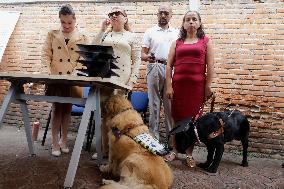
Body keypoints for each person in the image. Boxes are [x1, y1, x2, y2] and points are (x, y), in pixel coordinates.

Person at [165, 11, 214, 167]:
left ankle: (189, 154)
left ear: (199, 23)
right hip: (178, 86)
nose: (191, 22)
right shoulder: (177, 42)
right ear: (183, 24)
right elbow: (168, 65)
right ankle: (174, 150)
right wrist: (168, 85)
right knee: (176, 119)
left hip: (196, 88)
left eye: (194, 19)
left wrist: (208, 87)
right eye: (187, 19)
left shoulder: (206, 41)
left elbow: (210, 66)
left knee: (193, 121)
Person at [92, 7, 141, 158]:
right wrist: (101, 29)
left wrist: (132, 81)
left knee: (117, 117)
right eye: (111, 13)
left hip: (122, 81)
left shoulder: (132, 36)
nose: (113, 15)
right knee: (103, 115)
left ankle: (114, 151)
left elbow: (137, 60)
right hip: (104, 79)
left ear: (125, 18)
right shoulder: (105, 35)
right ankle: (102, 148)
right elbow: (93, 49)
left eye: (117, 13)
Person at [42, 4, 89, 157]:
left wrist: (76, 73)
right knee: (57, 109)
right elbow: (45, 55)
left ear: (75, 20)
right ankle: (54, 142)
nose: (66, 26)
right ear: (60, 20)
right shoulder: (52, 34)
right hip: (56, 77)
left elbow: (84, 58)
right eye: (63, 22)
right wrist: (47, 72)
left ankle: (64, 141)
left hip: (72, 78)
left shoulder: (83, 36)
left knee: (67, 109)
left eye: (69, 22)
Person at [141, 4, 178, 141]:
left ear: (171, 16)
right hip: (154, 66)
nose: (163, 15)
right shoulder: (150, 32)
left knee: (169, 105)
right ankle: (154, 139)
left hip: (171, 69)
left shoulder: (176, 33)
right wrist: (149, 57)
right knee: (154, 105)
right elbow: (142, 55)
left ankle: (170, 140)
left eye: (166, 13)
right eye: (161, 13)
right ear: (157, 14)